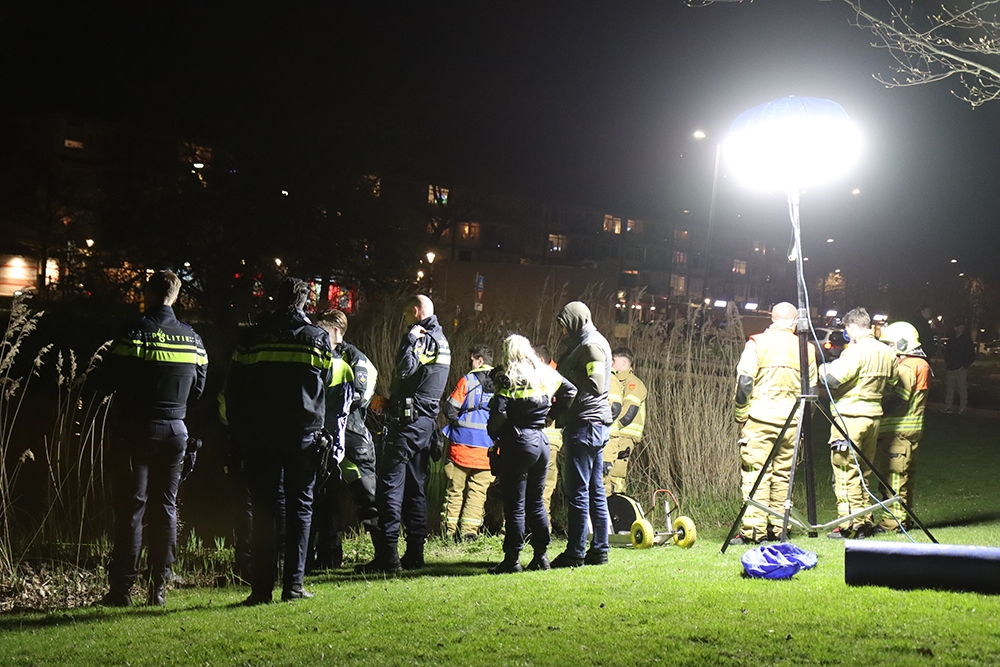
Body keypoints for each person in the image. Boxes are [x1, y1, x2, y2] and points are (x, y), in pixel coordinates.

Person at [96, 270, 208, 607]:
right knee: (166, 507)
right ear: (175, 297)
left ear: (148, 292)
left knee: (131, 509)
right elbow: (199, 389)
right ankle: (158, 588)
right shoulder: (194, 339)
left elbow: (108, 377)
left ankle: (121, 591)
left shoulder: (135, 332)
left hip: (135, 430)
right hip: (177, 431)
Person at [225, 277, 335, 604]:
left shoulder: (253, 337)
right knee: (301, 508)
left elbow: (235, 387)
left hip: (261, 436)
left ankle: (261, 589)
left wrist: (239, 431)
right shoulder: (317, 339)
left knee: (264, 510)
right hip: (303, 437)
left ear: (275, 299)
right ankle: (294, 586)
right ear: (305, 302)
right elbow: (326, 381)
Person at [357, 294, 451, 574]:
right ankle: (415, 554)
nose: (404, 319)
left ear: (415, 311)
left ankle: (388, 557)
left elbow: (405, 370)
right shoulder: (442, 339)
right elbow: (422, 382)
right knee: (415, 489)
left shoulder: (421, 337)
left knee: (388, 487)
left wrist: (409, 340)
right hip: (424, 426)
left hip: (407, 428)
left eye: (406, 314)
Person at [487, 335, 577, 574]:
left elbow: (498, 412)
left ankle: (512, 560)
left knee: (515, 505)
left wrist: (495, 433)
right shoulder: (546, 373)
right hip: (541, 441)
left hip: (517, 442)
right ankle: (541, 556)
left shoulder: (510, 377)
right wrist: (550, 415)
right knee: (536, 503)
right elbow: (570, 390)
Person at [730, 302, 816, 545]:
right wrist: (802, 424)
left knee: (755, 475)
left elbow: (745, 383)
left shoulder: (758, 343)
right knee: (782, 476)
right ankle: (778, 528)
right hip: (791, 423)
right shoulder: (806, 349)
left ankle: (753, 531)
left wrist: (741, 413)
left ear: (771, 318)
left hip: (760, 420)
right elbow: (812, 391)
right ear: (796, 320)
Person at [307, 309, 380, 570]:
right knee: (324, 499)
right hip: (326, 438)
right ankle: (327, 556)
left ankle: (385, 555)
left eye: (322, 329)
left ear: (336, 331)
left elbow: (360, 395)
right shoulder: (321, 354)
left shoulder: (355, 358)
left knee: (368, 498)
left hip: (352, 438)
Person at [822, 307, 897, 539]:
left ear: (852, 327)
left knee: (845, 472)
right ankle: (864, 521)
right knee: (864, 472)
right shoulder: (887, 352)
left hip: (849, 419)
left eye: (846, 329)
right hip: (873, 419)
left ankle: (849, 525)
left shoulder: (856, 351)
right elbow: (893, 383)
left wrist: (824, 368)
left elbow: (833, 379)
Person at [551, 301, 613, 568]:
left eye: (566, 325)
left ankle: (575, 552)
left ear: (577, 321)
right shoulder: (591, 342)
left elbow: (596, 385)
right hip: (593, 424)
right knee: (595, 490)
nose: (563, 332)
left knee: (578, 491)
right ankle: (599, 549)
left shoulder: (590, 346)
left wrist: (566, 394)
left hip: (585, 424)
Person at [875, 321, 931, 533]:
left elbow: (899, 399)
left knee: (894, 479)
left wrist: (875, 408)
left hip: (898, 433)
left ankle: (893, 524)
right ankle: (902, 519)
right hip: (909, 432)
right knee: (903, 478)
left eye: (890, 344)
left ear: (901, 343)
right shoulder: (920, 364)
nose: (888, 348)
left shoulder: (907, 367)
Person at [441, 344, 495, 541]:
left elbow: (450, 408)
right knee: (478, 493)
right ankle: (469, 534)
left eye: (472, 359)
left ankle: (449, 532)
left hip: (461, 448)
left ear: (479, 360)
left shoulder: (468, 380)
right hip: (487, 452)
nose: (470, 363)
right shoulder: (500, 383)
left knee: (455, 491)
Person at [603, 347, 647, 495]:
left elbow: (629, 413)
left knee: (615, 475)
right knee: (606, 475)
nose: (611, 363)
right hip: (616, 434)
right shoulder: (615, 381)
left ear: (623, 362)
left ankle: (618, 507)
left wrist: (610, 428)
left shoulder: (633, 383)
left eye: (613, 360)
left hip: (624, 436)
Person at [533, 345, 563, 522]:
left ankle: (514, 529)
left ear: (541, 360)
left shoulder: (537, 377)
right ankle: (542, 528)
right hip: (552, 439)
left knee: (525, 482)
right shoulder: (560, 376)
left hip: (536, 437)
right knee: (545, 486)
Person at [942, 322, 976, 415]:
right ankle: (948, 406)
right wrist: (948, 363)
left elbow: (971, 355)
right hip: (951, 367)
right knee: (950, 388)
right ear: (955, 328)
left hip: (960, 368)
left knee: (962, 388)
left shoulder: (966, 340)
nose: (961, 329)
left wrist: (964, 366)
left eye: (962, 327)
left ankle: (963, 407)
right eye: (960, 327)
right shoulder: (952, 339)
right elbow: (947, 353)